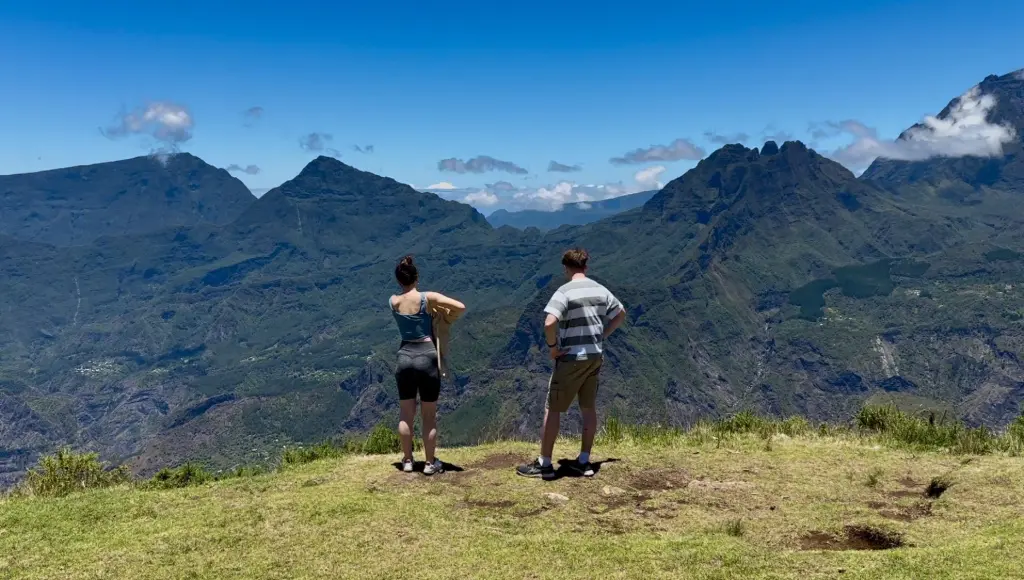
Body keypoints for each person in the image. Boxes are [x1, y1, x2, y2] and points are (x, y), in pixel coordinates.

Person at [517, 248, 626, 480]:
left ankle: (545, 464)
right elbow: (620, 313)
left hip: (571, 359)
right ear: (586, 266)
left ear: (566, 267)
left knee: (553, 408)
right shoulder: (600, 289)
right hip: (595, 357)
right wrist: (603, 335)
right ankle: (584, 461)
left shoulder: (564, 292)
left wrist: (553, 348)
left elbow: (549, 323)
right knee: (588, 408)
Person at [389, 255, 466, 475]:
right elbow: (460, 307)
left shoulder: (393, 301)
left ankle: (407, 460)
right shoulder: (427, 298)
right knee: (429, 414)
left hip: (404, 355)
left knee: (406, 413)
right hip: (427, 355)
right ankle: (430, 463)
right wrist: (442, 314)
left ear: (399, 280)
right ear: (417, 277)